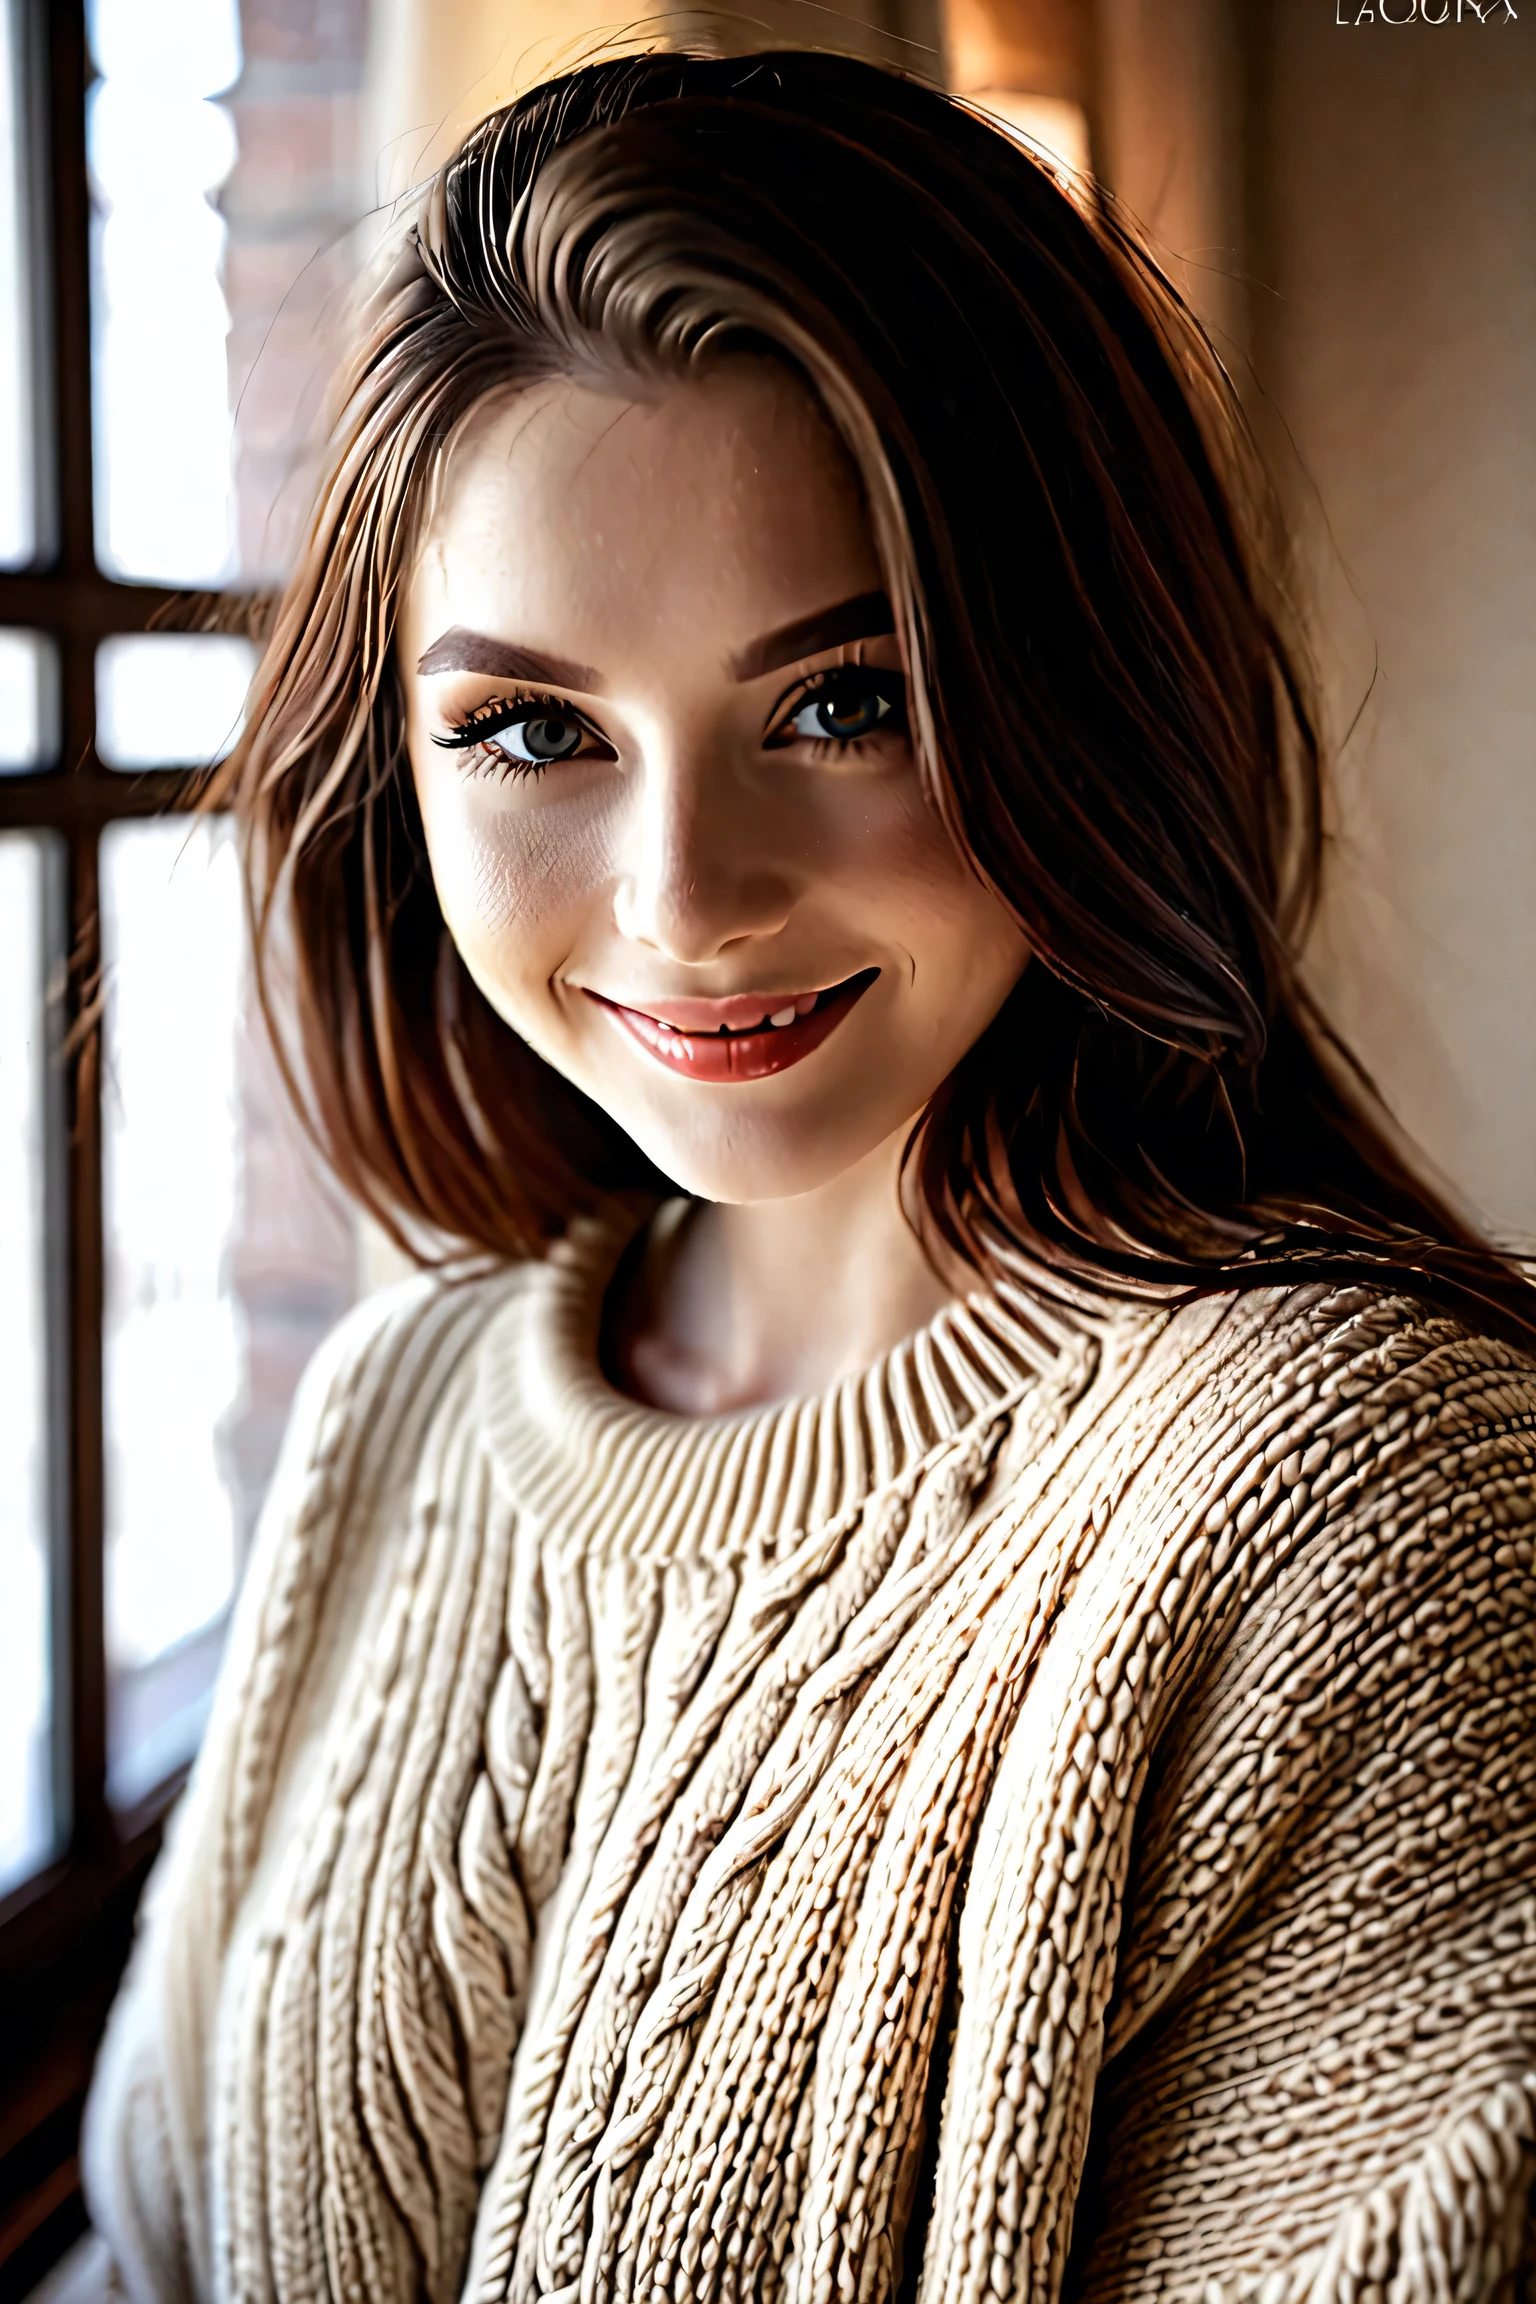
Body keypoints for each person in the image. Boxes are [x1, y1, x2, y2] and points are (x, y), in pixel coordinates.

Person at [82, 48, 1536, 2304]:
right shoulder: (408, 1408)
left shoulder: (1359, 1515)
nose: (685, 898)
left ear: (1082, 695)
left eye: (843, 701)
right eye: (532, 728)